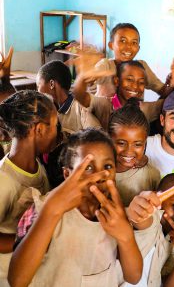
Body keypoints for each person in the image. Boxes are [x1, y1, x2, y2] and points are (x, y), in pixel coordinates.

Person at [8, 128, 142, 287]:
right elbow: (17, 280)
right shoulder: (44, 208)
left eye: (107, 167)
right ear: (67, 174)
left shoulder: (115, 214)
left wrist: (126, 237)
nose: (99, 176)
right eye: (88, 168)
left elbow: (133, 277)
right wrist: (51, 211)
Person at [0, 90, 56, 285]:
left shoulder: (37, 166)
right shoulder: (4, 180)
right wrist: (26, 239)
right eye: (55, 126)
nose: (57, 133)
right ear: (39, 130)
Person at [124, 173, 174, 287]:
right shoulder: (151, 218)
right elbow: (141, 219)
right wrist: (144, 208)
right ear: (159, 201)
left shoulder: (173, 239)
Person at [73, 59, 163, 131]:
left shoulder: (146, 109)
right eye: (129, 80)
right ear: (117, 81)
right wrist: (83, 77)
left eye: (141, 82)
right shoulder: (105, 105)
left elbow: (171, 100)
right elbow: (81, 97)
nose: (135, 86)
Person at [108, 98, 161, 206]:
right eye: (121, 143)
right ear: (109, 139)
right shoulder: (100, 171)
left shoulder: (151, 175)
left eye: (137, 144)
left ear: (145, 143)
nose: (129, 151)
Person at [94, 23, 164, 97]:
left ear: (138, 48)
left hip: (134, 108)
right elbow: (88, 80)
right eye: (123, 41)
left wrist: (173, 83)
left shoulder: (141, 66)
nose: (129, 46)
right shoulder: (105, 65)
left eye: (134, 42)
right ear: (111, 45)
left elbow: (161, 89)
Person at [36, 60, 101, 133]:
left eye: (38, 85)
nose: (38, 91)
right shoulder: (48, 110)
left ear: (51, 84)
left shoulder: (81, 108)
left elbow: (98, 137)